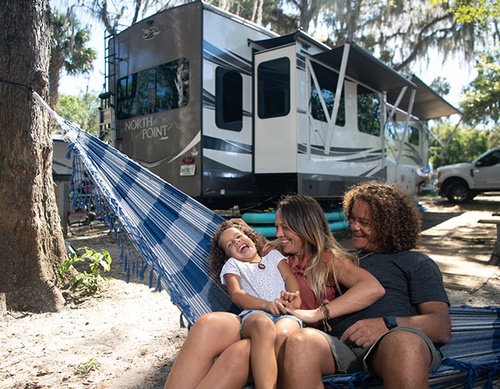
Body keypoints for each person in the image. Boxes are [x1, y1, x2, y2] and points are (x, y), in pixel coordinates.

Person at [163, 194, 385, 389]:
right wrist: (244, 231)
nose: (279, 233)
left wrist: (319, 313)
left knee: (242, 352)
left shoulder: (327, 260)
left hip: (294, 332)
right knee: (207, 323)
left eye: (285, 227)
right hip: (260, 319)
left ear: (304, 226)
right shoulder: (276, 252)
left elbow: (372, 287)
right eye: (277, 227)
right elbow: (249, 247)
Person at [280, 182, 451, 389]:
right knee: (300, 342)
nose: (353, 226)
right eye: (352, 219)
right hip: (341, 345)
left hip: (392, 343)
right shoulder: (343, 260)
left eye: (364, 222)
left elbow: (441, 326)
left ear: (388, 225)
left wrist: (387, 324)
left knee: (404, 344)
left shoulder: (414, 262)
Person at [209, 221, 302, 389]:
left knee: (284, 333)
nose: (237, 241)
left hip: (286, 313)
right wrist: (266, 306)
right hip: (255, 315)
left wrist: (295, 298)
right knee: (263, 324)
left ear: (250, 238)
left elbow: (289, 279)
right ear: (227, 256)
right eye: (230, 244)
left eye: (239, 236)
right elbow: (237, 295)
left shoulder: (273, 257)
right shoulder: (233, 265)